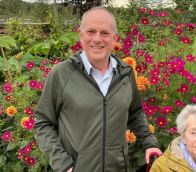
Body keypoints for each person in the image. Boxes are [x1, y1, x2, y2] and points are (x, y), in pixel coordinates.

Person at [33, 7, 162, 172]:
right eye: (91, 31)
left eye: (105, 33)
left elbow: (135, 112)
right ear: (80, 34)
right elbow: (43, 123)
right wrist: (63, 164)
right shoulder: (62, 74)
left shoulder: (125, 73)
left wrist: (149, 143)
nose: (97, 39)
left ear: (115, 38)